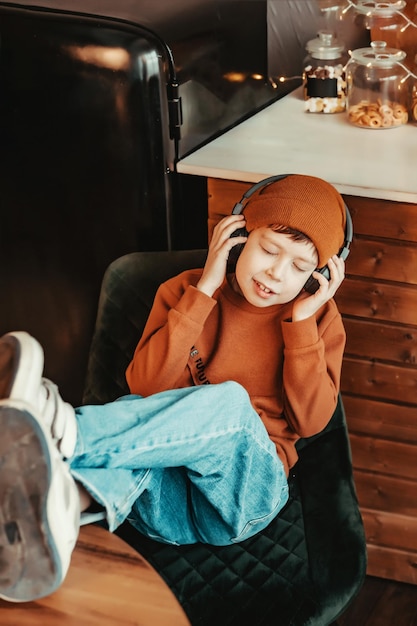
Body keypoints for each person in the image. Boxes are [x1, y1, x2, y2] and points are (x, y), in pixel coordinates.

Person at [0, 174, 347, 603]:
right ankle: (50, 524)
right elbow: (145, 387)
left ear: (319, 276)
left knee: (227, 402)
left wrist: (301, 324)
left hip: (243, 500)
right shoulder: (185, 291)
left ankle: (65, 429)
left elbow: (311, 423)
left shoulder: (318, 321)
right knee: (141, 426)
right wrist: (205, 291)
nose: (277, 273)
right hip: (163, 504)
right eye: (269, 250)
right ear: (237, 236)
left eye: (299, 266)